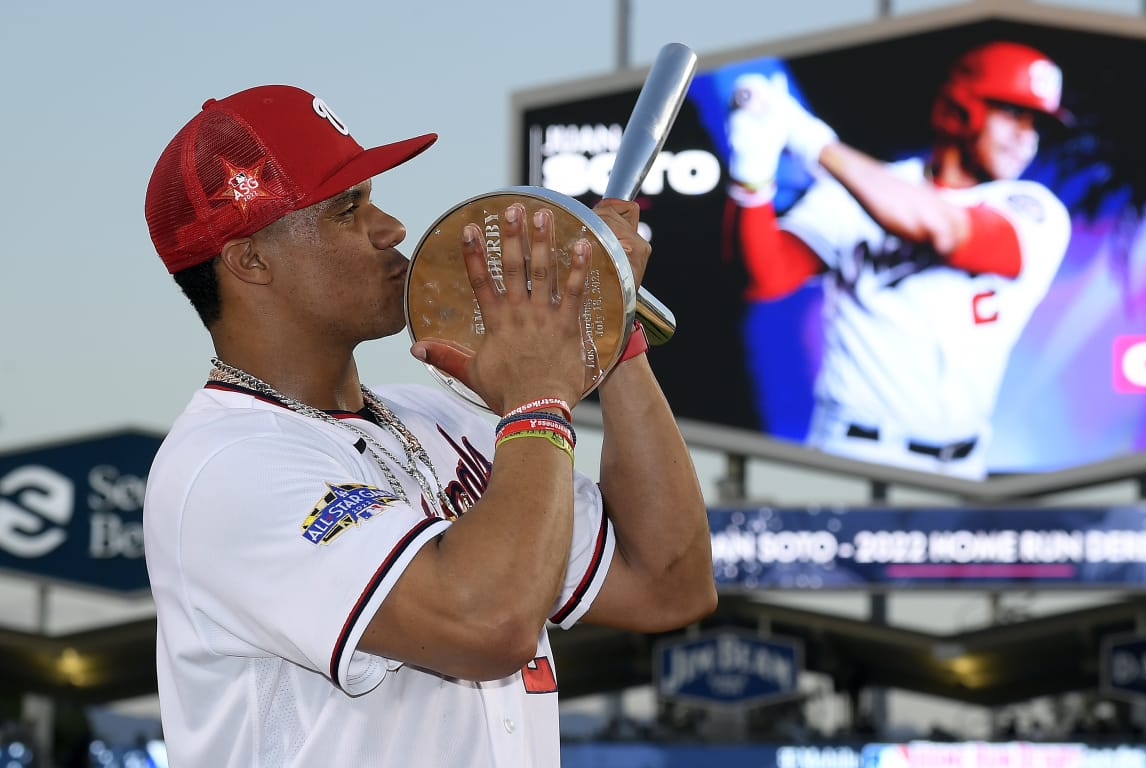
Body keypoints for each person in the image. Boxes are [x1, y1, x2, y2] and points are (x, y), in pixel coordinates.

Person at [141, 84, 716, 767]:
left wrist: (605, 321)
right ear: (250, 260)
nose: (390, 229)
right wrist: (538, 392)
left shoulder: (432, 416)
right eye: (347, 211)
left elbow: (668, 584)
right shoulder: (224, 465)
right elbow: (488, 625)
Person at [724, 42, 1073, 480]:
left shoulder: (1033, 209)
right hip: (852, 455)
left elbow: (947, 229)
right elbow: (764, 277)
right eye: (1012, 114)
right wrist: (751, 172)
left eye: (1036, 123)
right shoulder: (860, 192)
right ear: (960, 108)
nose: (1027, 136)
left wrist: (810, 139)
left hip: (962, 468)